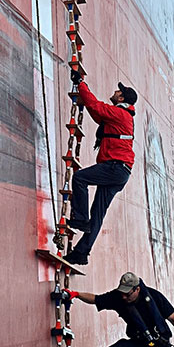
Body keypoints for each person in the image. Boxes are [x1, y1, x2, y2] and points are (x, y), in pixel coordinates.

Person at [64, 69, 136, 265]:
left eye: (118, 91)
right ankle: (81, 252)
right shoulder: (122, 116)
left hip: (115, 167)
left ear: (122, 97)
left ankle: (79, 218)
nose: (115, 91)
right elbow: (98, 113)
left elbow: (96, 107)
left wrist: (81, 83)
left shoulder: (120, 114)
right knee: (97, 215)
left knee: (80, 178)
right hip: (120, 171)